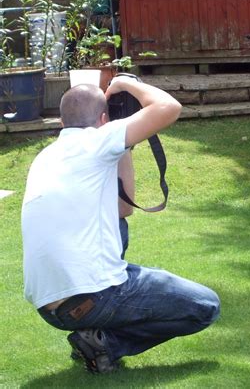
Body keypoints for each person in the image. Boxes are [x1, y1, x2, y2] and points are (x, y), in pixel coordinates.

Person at [21, 77, 220, 373]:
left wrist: (125, 146)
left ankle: (92, 338)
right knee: (206, 306)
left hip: (50, 307)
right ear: (104, 119)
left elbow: (123, 208)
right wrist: (127, 84)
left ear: (62, 122)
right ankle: (105, 345)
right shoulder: (97, 140)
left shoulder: (46, 156)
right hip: (93, 296)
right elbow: (168, 107)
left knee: (120, 228)